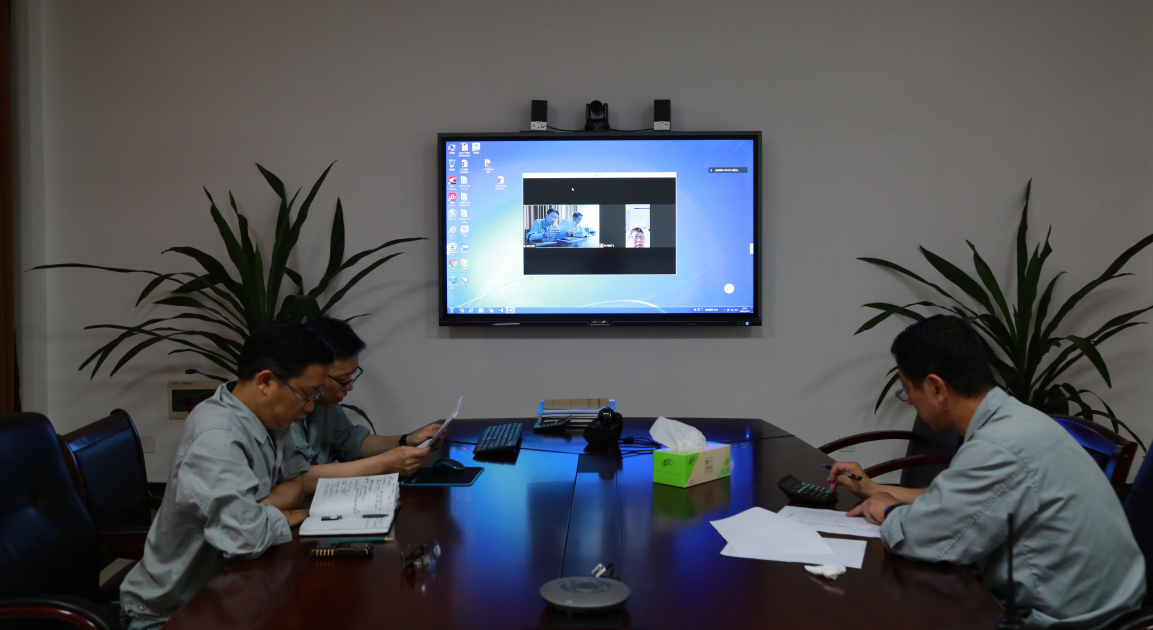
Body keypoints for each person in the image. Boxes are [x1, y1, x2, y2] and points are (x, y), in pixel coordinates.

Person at [828, 315, 1145, 628]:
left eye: (907, 390)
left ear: (937, 387)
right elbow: (959, 503)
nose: (909, 400)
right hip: (1105, 607)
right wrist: (874, 490)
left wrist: (889, 511)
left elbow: (923, 537)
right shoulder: (1017, 419)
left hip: (1071, 622)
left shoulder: (998, 445)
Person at [120, 322, 334, 630]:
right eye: (307, 394)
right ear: (265, 381)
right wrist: (278, 515)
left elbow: (295, 483)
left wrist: (259, 510)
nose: (310, 407)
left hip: (232, 591)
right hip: (174, 613)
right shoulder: (217, 437)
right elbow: (244, 539)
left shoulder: (269, 419)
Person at [293, 316, 446, 480]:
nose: (349, 387)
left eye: (352, 376)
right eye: (342, 379)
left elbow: (350, 441)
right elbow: (298, 478)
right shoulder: (284, 411)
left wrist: (407, 440)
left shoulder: (325, 402)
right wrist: (382, 464)